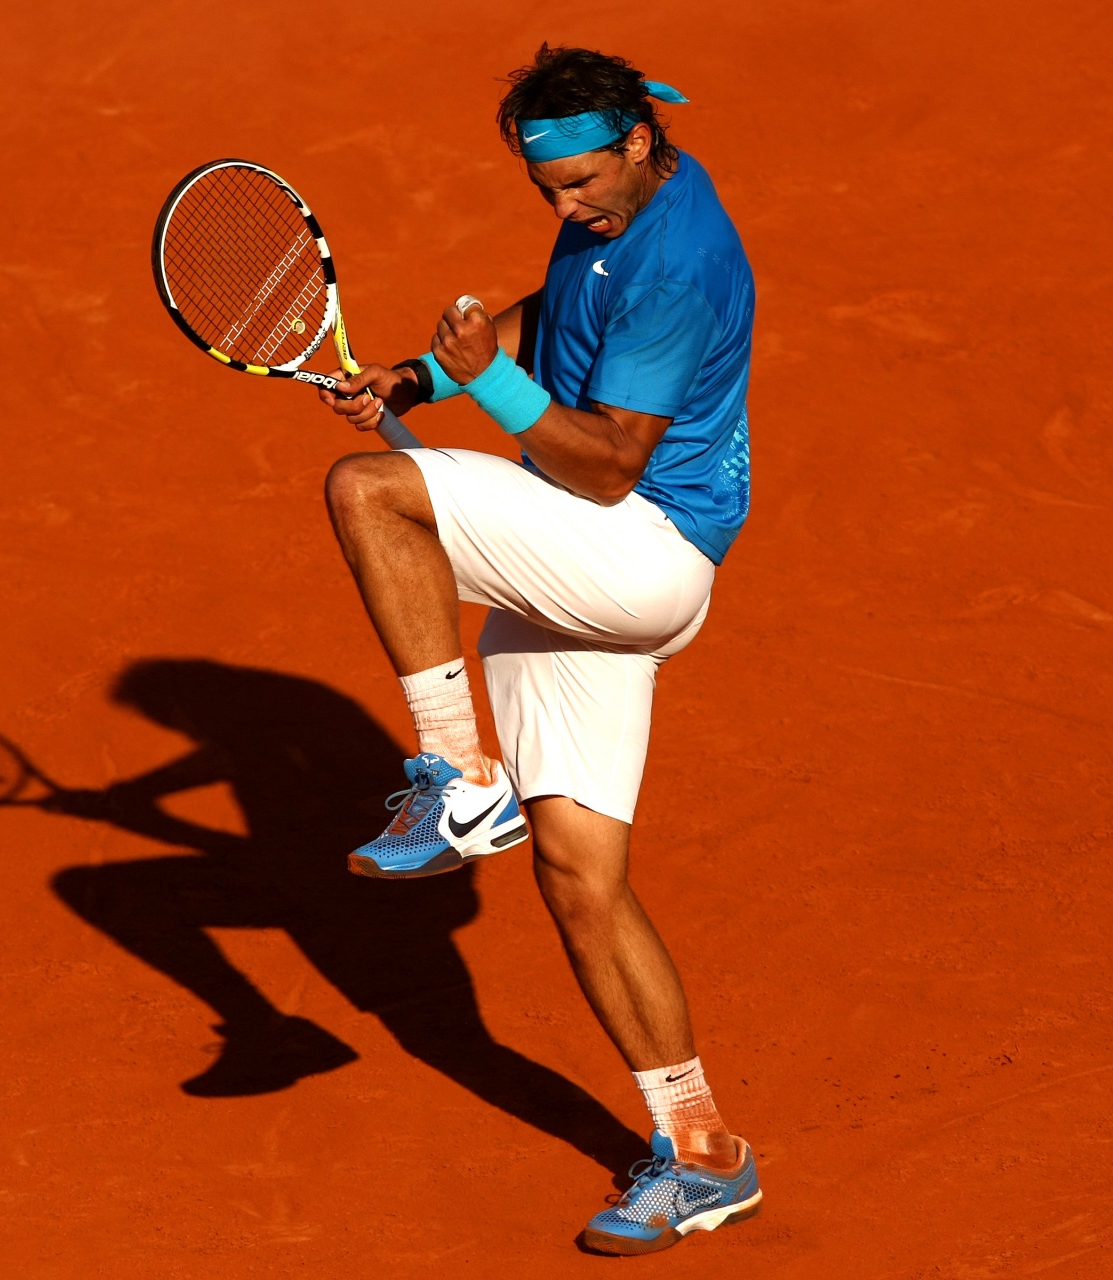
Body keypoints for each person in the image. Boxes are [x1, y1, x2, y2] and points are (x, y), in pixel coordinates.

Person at [320, 44, 759, 1255]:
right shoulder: (629, 197)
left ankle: (459, 780)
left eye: (580, 184)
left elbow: (609, 460)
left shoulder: (680, 258)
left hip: (634, 546)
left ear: (634, 140)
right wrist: (426, 372)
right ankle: (705, 1150)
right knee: (578, 875)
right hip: (590, 563)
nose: (567, 207)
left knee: (372, 491)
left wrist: (495, 390)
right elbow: (558, 307)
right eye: (547, 190)